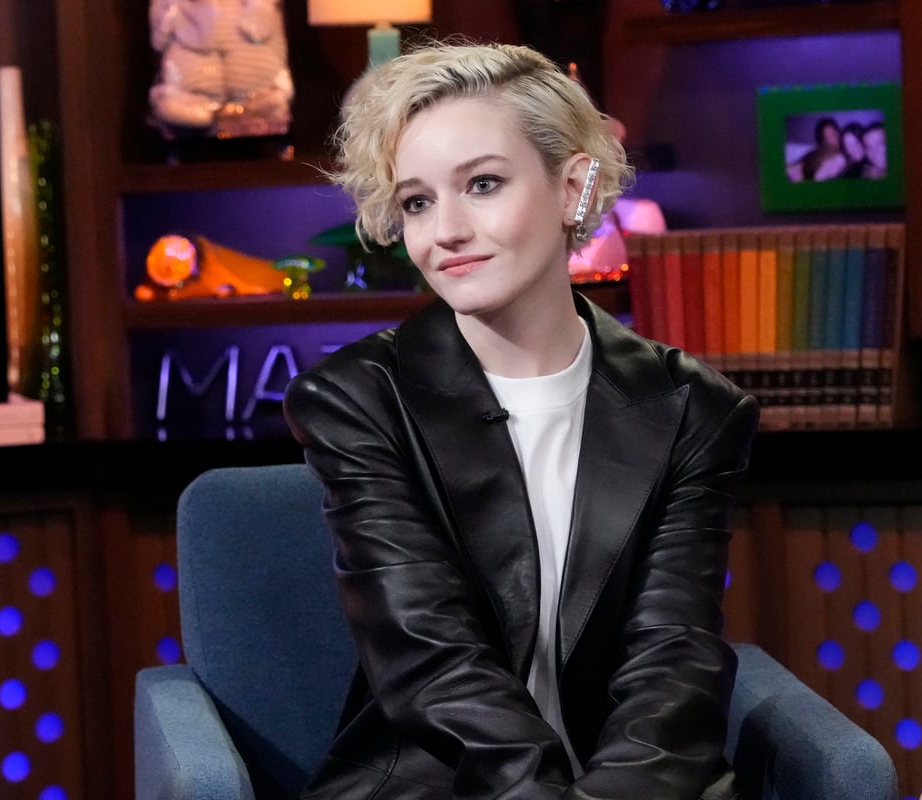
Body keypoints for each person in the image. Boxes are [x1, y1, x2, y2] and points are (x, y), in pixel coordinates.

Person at [282, 41, 759, 800]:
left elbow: (673, 655)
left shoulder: (695, 408)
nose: (445, 231)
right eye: (417, 202)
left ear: (572, 187)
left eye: (483, 184)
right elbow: (431, 658)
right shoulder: (355, 399)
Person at [786, 116, 843, 182]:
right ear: (824, 142)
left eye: (834, 131)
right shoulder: (816, 152)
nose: (835, 136)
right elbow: (795, 166)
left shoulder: (843, 154)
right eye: (829, 135)